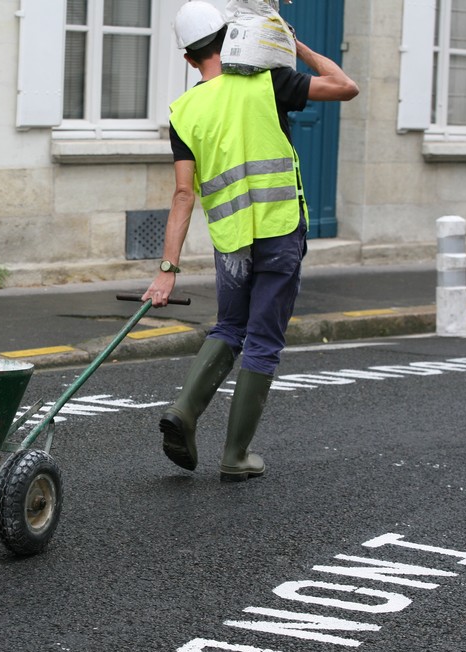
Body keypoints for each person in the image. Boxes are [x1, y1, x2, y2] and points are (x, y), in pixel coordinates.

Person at [144, 1, 358, 482]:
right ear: (233, 38)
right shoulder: (270, 81)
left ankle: (184, 411)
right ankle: (235, 456)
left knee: (228, 327)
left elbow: (183, 194)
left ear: (188, 59)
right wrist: (294, 45)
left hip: (231, 240)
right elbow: (346, 87)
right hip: (279, 231)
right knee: (262, 341)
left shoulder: (185, 110)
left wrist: (167, 269)